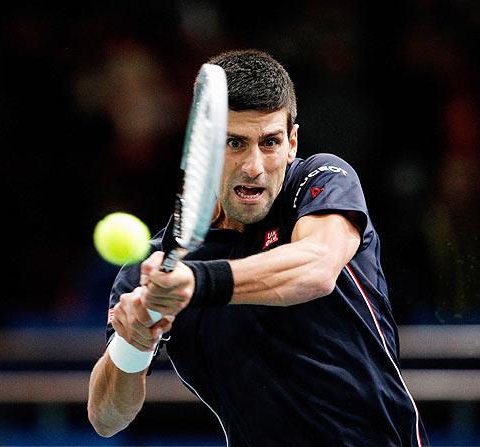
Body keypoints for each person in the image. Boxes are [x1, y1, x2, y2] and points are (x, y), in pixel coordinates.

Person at [87, 49, 428, 447]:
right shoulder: (153, 266)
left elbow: (315, 269)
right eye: (234, 143)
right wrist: (136, 342)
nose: (254, 166)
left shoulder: (319, 182)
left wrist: (196, 283)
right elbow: (106, 417)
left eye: (270, 142)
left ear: (292, 142)